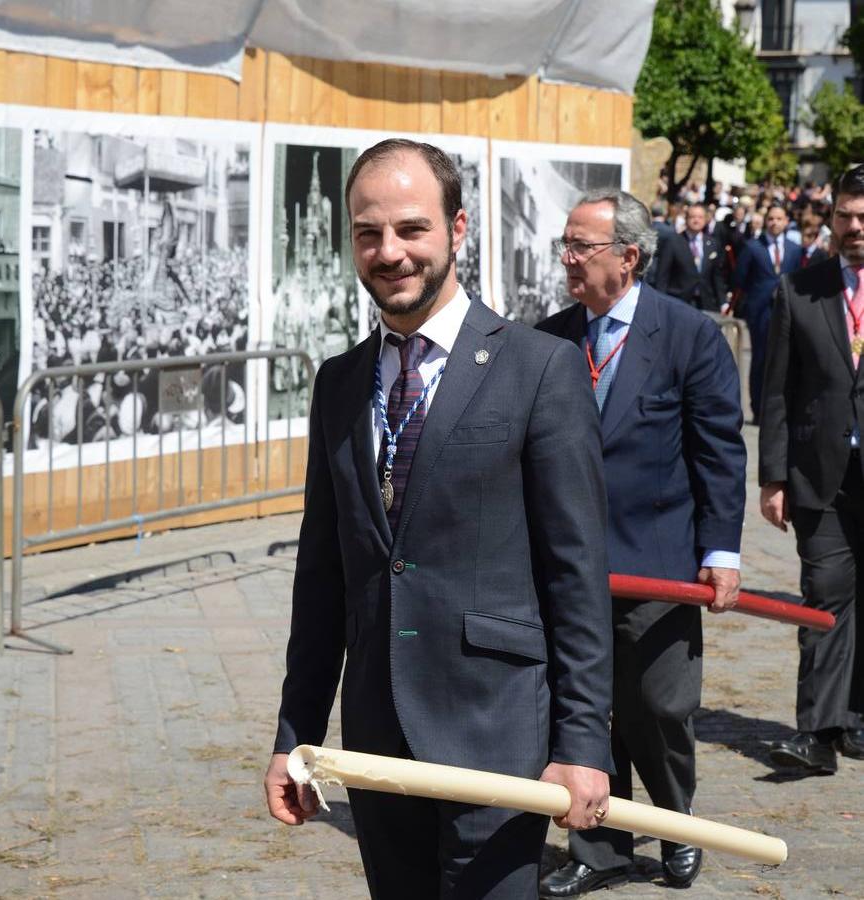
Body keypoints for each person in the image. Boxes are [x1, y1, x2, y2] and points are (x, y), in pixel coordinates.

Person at [264, 139, 615, 899]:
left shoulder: (539, 369)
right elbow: (322, 576)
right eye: (368, 233)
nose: (389, 252)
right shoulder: (339, 384)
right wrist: (296, 736)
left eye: (411, 229)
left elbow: (577, 575)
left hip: (499, 739)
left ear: (457, 231)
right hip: (378, 744)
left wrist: (583, 741)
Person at [536, 190, 746, 896]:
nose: (567, 259)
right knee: (581, 709)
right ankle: (598, 849)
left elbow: (718, 452)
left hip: (658, 569)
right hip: (569, 568)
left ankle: (677, 824)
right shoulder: (551, 339)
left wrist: (721, 551)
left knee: (657, 707)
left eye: (580, 247)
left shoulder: (687, 335)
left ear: (628, 257)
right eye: (563, 245)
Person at [759, 164, 864, 774]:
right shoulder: (799, 290)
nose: (853, 227)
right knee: (824, 599)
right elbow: (777, 391)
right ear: (831, 217)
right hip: (820, 475)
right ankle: (818, 732)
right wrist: (773, 477)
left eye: (862, 218)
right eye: (845, 216)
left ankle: (857, 720)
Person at [732, 204, 803, 423]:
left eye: (779, 218)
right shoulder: (753, 247)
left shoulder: (794, 249)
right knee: (761, 360)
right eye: (771, 218)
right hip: (760, 311)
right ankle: (758, 408)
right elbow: (740, 279)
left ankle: (780, 408)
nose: (774, 222)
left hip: (786, 311)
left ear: (786, 221)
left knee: (784, 359)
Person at [653, 202, 728, 312]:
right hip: (678, 301)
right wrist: (659, 303)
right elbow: (662, 275)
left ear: (706, 219)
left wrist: (723, 302)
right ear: (686, 218)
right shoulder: (673, 241)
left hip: (705, 303)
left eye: (700, 217)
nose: (696, 220)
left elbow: (717, 276)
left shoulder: (712, 243)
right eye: (692, 217)